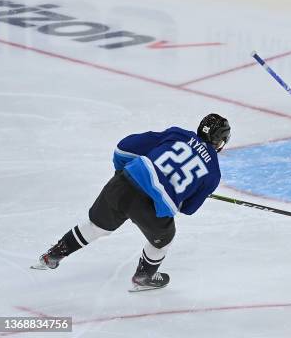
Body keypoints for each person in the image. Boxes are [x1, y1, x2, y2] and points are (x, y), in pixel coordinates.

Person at [32, 113, 231, 291]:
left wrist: (123, 174)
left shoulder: (178, 134)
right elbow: (188, 209)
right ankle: (144, 277)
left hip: (124, 182)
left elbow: (124, 147)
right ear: (220, 142)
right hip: (151, 207)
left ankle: (53, 255)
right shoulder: (213, 173)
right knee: (164, 239)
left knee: (96, 227)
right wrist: (183, 191)